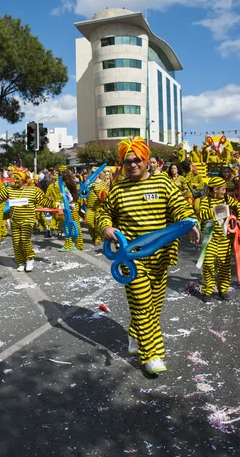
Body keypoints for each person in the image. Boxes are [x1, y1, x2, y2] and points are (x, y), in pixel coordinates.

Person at [98, 137, 199, 375]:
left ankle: (135, 334)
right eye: (127, 162)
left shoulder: (163, 184)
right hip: (131, 260)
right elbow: (103, 213)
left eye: (137, 160)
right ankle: (151, 355)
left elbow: (179, 207)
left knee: (153, 306)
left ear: (147, 161)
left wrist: (188, 222)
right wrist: (105, 227)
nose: (132, 165)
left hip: (160, 258)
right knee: (143, 306)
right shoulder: (118, 189)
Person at [0, 170, 54, 272]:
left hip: (27, 220)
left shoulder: (34, 190)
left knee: (24, 240)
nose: (15, 181)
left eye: (18, 179)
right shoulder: (10, 190)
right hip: (15, 221)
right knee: (16, 243)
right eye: (14, 178)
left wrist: (57, 204)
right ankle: (21, 262)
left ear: (24, 179)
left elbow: (44, 201)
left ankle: (30, 258)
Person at [198, 177, 240, 303]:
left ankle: (223, 289)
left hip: (225, 239)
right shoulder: (205, 201)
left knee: (224, 265)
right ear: (215, 189)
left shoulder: (227, 199)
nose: (225, 192)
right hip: (209, 238)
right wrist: (217, 210)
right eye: (223, 189)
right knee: (208, 264)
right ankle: (208, 290)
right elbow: (201, 215)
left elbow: (239, 206)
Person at [58, 169, 84, 252]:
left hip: (70, 207)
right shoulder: (71, 183)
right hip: (72, 206)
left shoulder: (65, 184)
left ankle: (71, 245)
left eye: (60, 174)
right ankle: (77, 245)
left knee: (70, 226)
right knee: (73, 226)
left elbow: (68, 197)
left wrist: (61, 205)